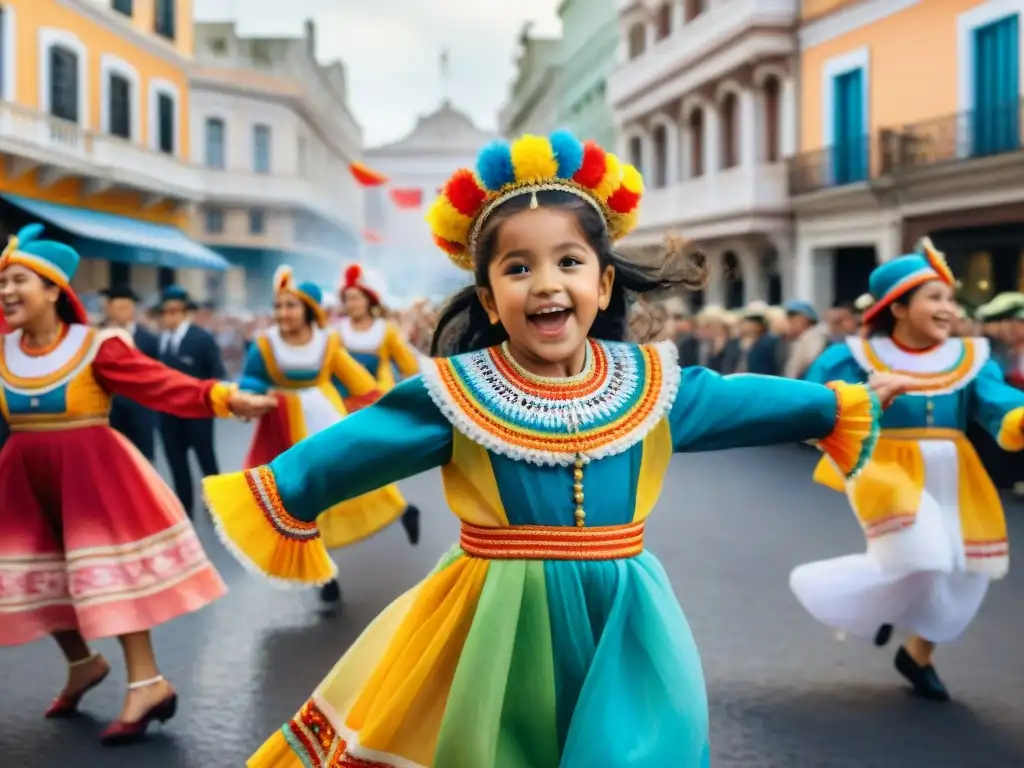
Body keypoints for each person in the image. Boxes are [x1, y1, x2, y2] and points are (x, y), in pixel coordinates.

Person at [203, 130, 907, 767]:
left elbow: (743, 400)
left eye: (569, 261)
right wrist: (285, 492)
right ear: (488, 299)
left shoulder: (654, 386)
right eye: (517, 268)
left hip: (625, 615)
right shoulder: (456, 393)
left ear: (602, 283)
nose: (545, 283)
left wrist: (836, 404)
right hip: (495, 623)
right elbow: (359, 444)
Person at [0, 224, 274, 744]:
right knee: (35, 576)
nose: (7, 292)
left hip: (89, 476)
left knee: (110, 577)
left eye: (19, 281)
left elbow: (158, 384)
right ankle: (82, 663)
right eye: (2, 283)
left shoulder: (94, 347)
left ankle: (148, 683)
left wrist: (223, 397)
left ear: (54, 290)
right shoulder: (3, 349)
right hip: (23, 480)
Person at [791, 239, 1024, 701]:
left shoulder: (970, 358)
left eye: (950, 298)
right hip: (883, 466)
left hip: (956, 468)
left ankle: (918, 654)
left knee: (967, 565)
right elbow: (817, 403)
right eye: (934, 297)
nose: (948, 308)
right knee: (925, 553)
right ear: (897, 307)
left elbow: (997, 403)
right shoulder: (853, 356)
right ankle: (857, 600)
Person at [239, 266, 422, 604]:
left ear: (309, 310)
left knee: (348, 481)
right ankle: (324, 573)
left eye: (291, 305)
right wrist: (249, 395)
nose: (283, 313)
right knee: (294, 498)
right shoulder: (266, 343)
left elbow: (356, 375)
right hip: (282, 423)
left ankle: (400, 512)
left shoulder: (331, 340)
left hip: (323, 417)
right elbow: (253, 377)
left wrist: (385, 405)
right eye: (278, 306)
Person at [336, 262, 423, 544]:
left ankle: (401, 510)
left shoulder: (385, 331)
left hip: (375, 405)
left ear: (369, 300)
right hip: (341, 404)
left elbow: (409, 365)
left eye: (356, 297)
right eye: (348, 298)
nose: (352, 303)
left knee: (365, 465)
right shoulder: (336, 333)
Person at [156, 284, 227, 517]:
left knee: (206, 460)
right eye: (165, 312)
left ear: (185, 311)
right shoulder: (160, 341)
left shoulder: (201, 338)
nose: (169, 317)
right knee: (177, 464)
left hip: (198, 413)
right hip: (168, 414)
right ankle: (184, 508)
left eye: (174, 311)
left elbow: (217, 373)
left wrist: (210, 401)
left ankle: (216, 504)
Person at [102, 285, 160, 460]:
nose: (124, 312)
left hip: (141, 408)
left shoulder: (149, 339)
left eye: (127, 307)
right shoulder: (99, 337)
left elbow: (157, 373)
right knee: (112, 458)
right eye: (119, 308)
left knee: (143, 459)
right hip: (110, 409)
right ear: (109, 308)